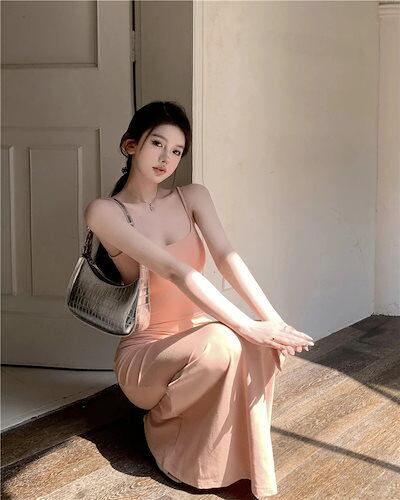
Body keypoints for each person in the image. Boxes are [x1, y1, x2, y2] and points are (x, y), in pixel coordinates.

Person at [84, 101, 314, 499]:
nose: (166, 158)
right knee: (227, 339)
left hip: (198, 333)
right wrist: (246, 325)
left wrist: (273, 323)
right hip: (147, 353)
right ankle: (168, 439)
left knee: (258, 346)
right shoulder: (105, 212)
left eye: (176, 151)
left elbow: (227, 257)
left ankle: (238, 466)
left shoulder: (192, 197)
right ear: (130, 145)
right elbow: (175, 271)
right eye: (157, 143)